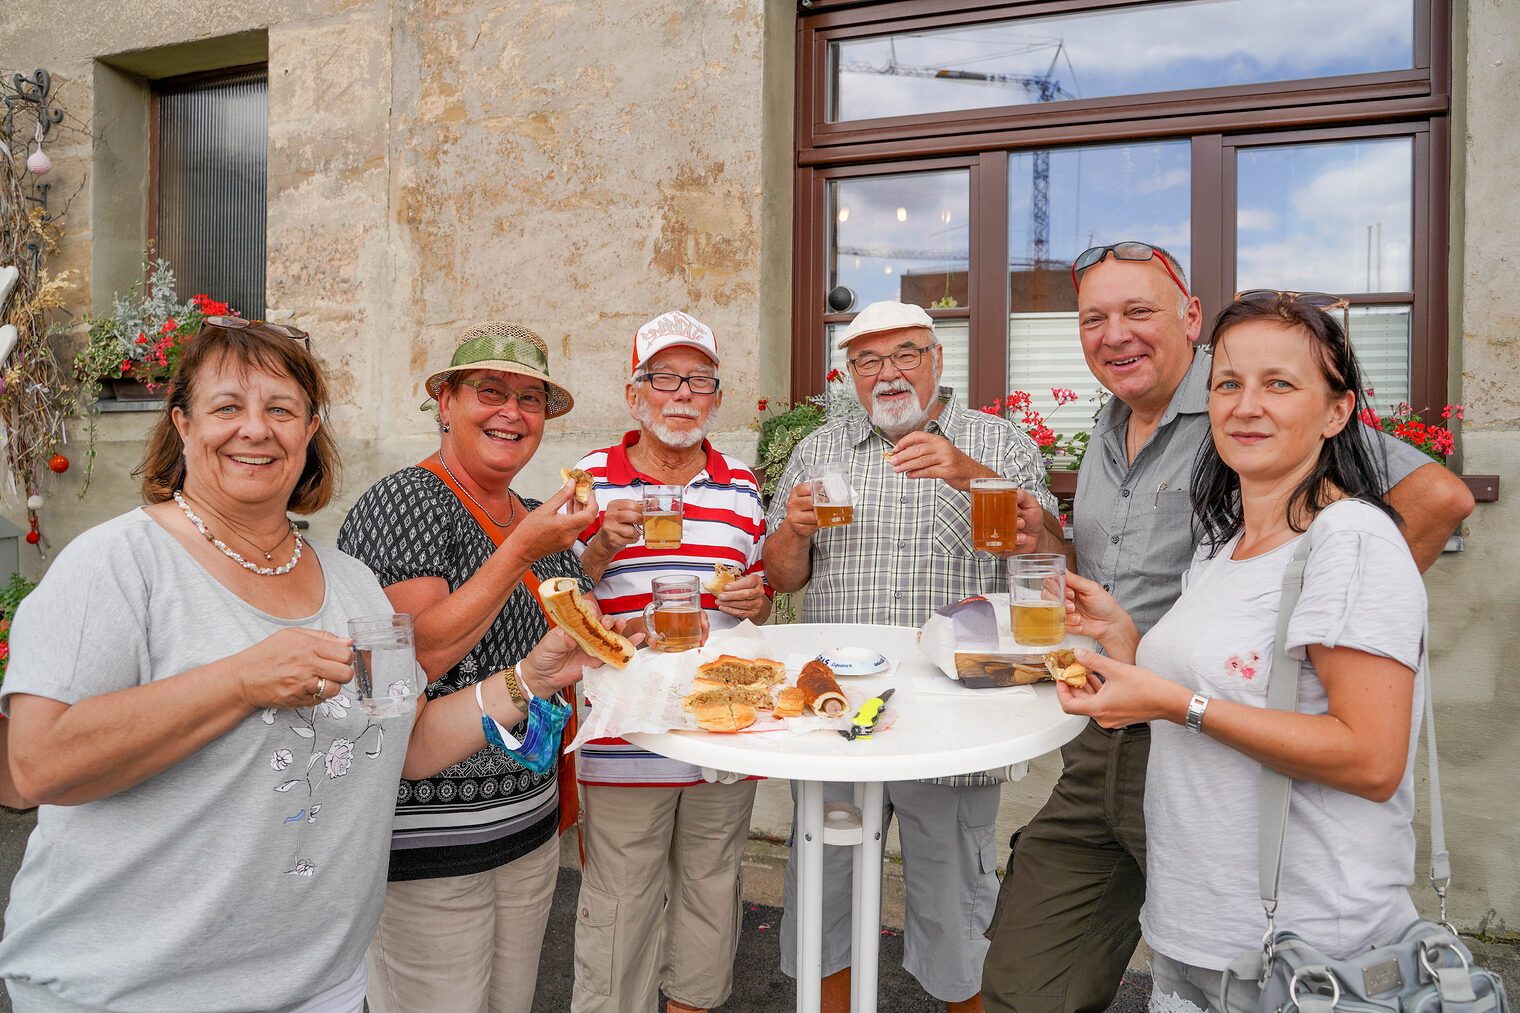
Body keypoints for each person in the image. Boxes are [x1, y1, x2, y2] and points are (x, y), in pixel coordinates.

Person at [0, 321, 611, 1013]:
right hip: (134, 987)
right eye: (227, 406)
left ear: (310, 428)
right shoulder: (116, 562)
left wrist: (528, 677)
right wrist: (238, 681)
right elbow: (34, 765)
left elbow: (405, 742)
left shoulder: (350, 585)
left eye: (281, 409)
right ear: (182, 423)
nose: (255, 429)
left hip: (319, 984)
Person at [981, 244, 1475, 1013]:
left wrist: (1331, 618)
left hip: (1294, 921)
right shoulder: (1212, 525)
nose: (1246, 404)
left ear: (1189, 321)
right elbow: (1209, 650)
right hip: (1145, 778)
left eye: (1138, 311)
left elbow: (1370, 753)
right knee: (1027, 979)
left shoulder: (1346, 536)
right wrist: (1119, 629)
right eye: (1094, 318)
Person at [764, 300, 1066, 1013]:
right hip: (836, 720)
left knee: (958, 917)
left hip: (954, 722)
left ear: (936, 360)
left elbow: (1051, 557)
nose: (888, 372)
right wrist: (796, 531)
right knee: (824, 908)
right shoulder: (819, 450)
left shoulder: (999, 443)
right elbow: (781, 576)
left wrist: (969, 474)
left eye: (905, 353)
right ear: (849, 375)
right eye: (868, 359)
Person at [338, 321, 600, 1013]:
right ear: (446, 402)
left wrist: (609, 636)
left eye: (530, 398)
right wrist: (519, 547)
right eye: (491, 390)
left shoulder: (539, 514)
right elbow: (414, 657)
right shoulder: (406, 500)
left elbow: (561, 644)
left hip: (526, 827)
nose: (512, 411)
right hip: (429, 844)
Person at [568, 310, 772, 1013]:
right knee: (620, 903)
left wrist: (755, 597)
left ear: (716, 396)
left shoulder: (743, 485)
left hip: (723, 727)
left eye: (699, 380)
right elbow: (563, 595)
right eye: (664, 377)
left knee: (713, 890)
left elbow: (759, 598)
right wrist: (599, 549)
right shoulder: (591, 479)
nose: (681, 393)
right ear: (635, 394)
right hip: (627, 730)